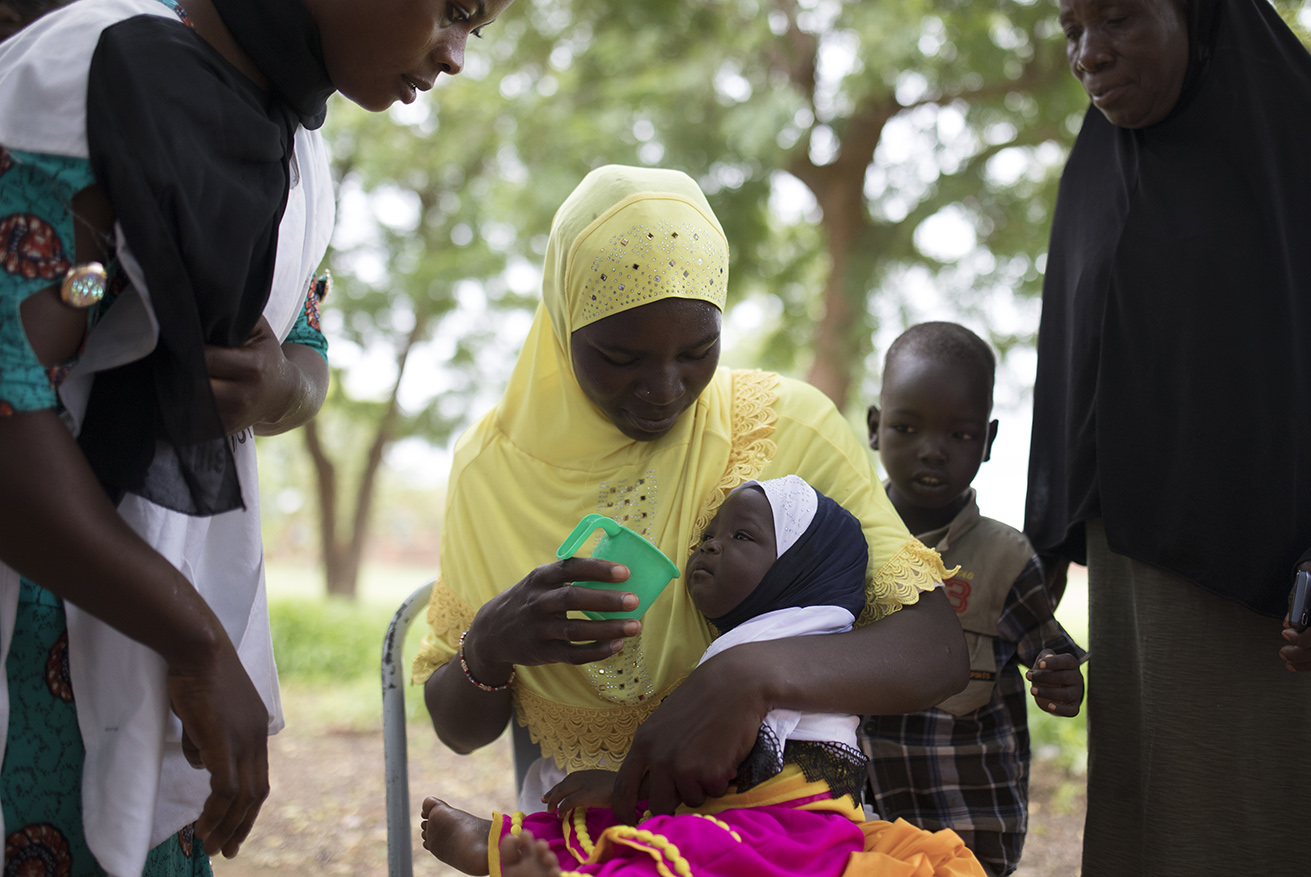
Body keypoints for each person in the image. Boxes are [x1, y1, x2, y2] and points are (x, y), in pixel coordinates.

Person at [0, 0, 503, 872]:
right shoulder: (102, 72)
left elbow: (305, 352)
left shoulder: (296, 149)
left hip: (159, 660)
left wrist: (278, 387)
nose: (455, 55)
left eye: (478, 29)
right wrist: (194, 641)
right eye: (454, 8)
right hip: (41, 654)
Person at [1025, 0, 1311, 873]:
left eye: (1121, 18)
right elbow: (1072, 398)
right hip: (1150, 620)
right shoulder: (1091, 179)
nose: (1090, 54)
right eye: (1071, 28)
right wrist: (1037, 587)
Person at [414, 165, 969, 832]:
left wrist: (749, 675)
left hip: (763, 827)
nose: (665, 388)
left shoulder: (784, 427)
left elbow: (936, 651)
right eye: (621, 358)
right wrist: (491, 644)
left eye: (698, 351)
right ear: (563, 324)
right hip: (583, 826)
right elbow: (458, 728)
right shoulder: (491, 472)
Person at [421, 476, 982, 877]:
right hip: (752, 818)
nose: (711, 543)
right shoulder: (751, 641)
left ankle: (511, 855)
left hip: (794, 830)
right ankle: (502, 845)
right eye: (708, 535)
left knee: (684, 849)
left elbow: (733, 773)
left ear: (797, 571)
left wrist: (622, 790)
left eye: (742, 537)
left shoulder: (801, 634)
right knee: (651, 838)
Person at [859, 322, 1086, 877]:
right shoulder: (845, 543)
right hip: (859, 820)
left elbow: (1050, 653)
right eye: (907, 428)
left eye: (959, 436)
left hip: (966, 825)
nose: (931, 451)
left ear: (988, 441)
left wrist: (1061, 680)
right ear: (873, 427)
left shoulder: (1006, 559)